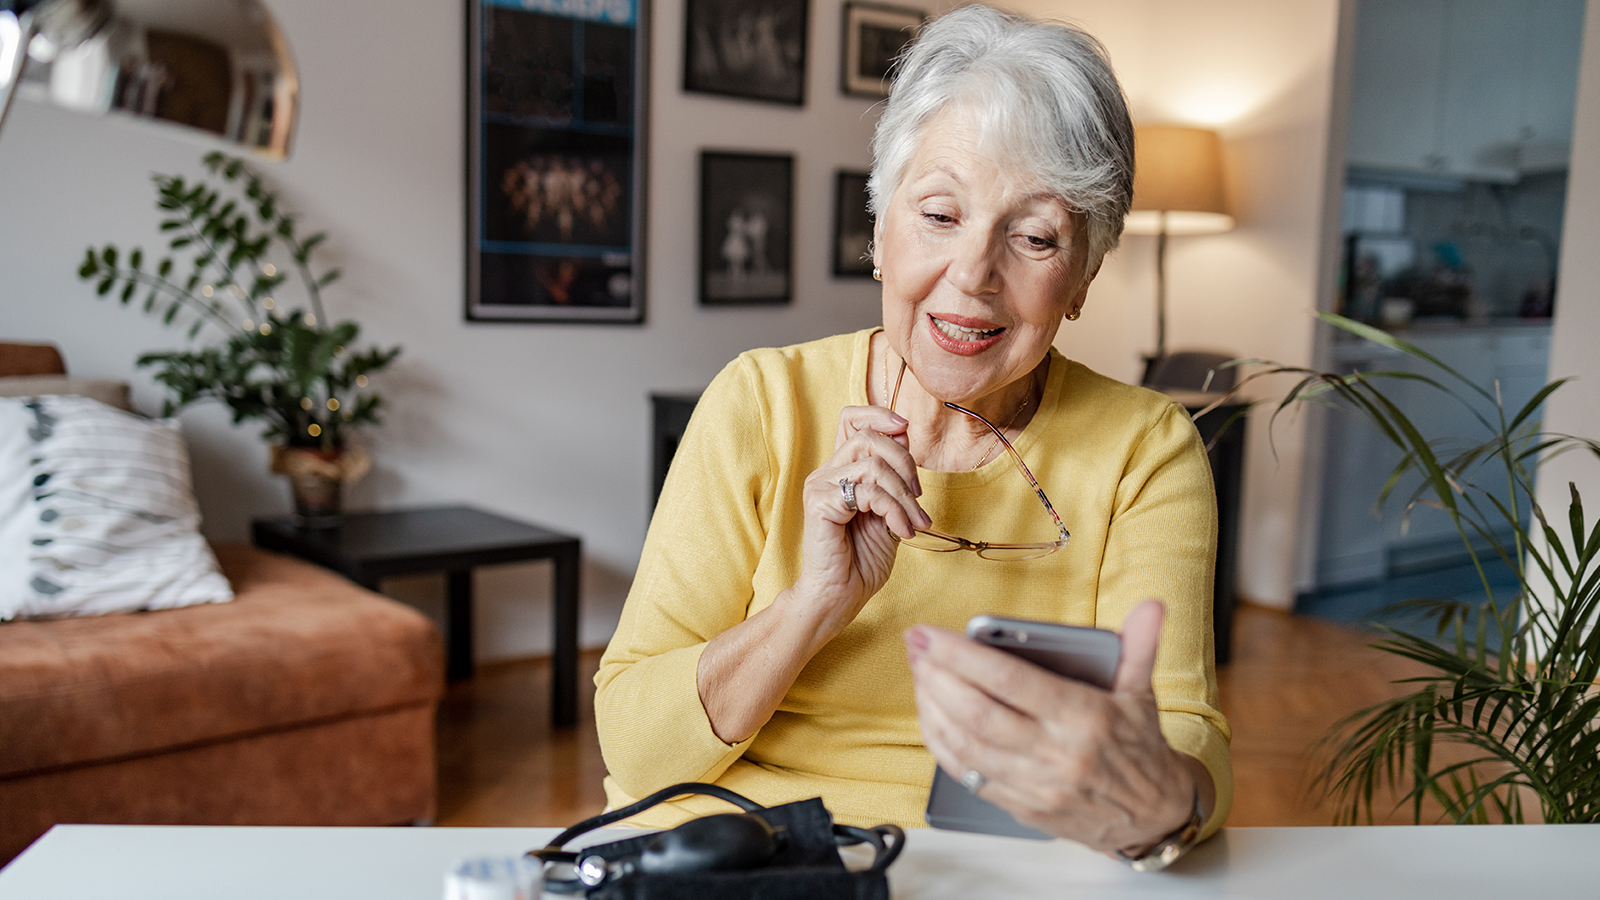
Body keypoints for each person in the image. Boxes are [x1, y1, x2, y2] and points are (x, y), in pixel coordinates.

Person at [595, 5, 1231, 861]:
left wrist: (1160, 793)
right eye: (940, 215)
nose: (972, 275)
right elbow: (635, 746)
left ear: (1083, 276)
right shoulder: (760, 402)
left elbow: (1187, 751)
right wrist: (810, 606)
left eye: (1035, 236)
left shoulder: (1144, 452)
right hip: (733, 858)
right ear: (879, 232)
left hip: (997, 875)